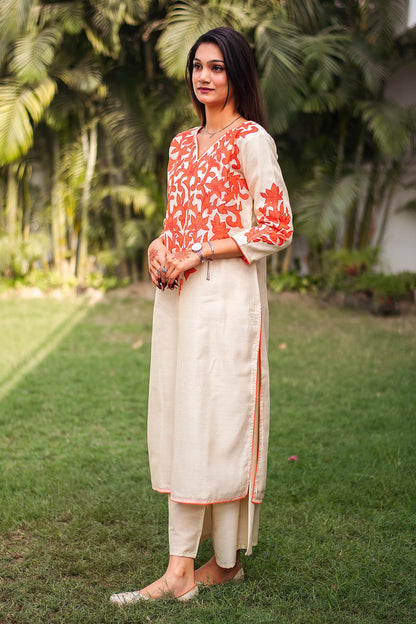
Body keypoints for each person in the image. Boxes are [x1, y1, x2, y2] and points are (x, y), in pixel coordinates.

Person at [110, 26, 293, 605]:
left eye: (216, 66)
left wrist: (200, 251)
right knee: (185, 417)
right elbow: (177, 219)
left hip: (226, 299)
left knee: (215, 421)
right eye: (196, 67)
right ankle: (206, 565)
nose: (204, 76)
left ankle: (192, 568)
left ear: (236, 73)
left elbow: (277, 226)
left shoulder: (252, 140)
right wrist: (160, 246)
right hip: (180, 297)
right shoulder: (181, 145)